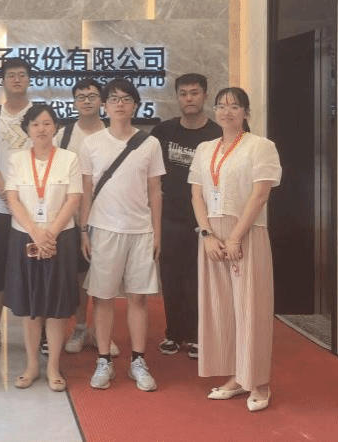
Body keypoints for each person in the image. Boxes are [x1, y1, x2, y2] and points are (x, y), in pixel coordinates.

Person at [188, 87, 281, 412]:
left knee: (251, 308)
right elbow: (196, 195)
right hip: (212, 235)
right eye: (221, 105)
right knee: (221, 308)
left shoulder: (261, 146)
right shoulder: (204, 148)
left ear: (246, 112)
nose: (226, 111)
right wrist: (206, 235)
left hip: (246, 233)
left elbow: (260, 194)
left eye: (234, 106)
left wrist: (236, 238)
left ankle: (259, 381)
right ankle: (238, 377)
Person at [79, 79, 164, 392]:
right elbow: (86, 191)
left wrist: (157, 232)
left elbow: (155, 191)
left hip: (140, 230)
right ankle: (104, 360)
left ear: (135, 105)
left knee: (138, 298)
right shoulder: (91, 143)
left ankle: (138, 361)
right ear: (104, 105)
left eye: (126, 99)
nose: (119, 104)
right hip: (103, 229)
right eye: (113, 99)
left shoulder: (150, 144)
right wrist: (84, 229)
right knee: (102, 298)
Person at [4, 104, 81, 392]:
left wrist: (50, 234)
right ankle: (32, 365)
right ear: (27, 128)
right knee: (30, 307)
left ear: (56, 127)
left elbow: (73, 199)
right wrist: (36, 233)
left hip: (60, 237)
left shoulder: (69, 158)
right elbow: (12, 198)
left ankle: (53, 367)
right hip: (25, 237)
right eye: (35, 124)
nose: (41, 129)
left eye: (47, 123)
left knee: (57, 307)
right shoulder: (17, 160)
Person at [151, 74, 221, 359]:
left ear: (205, 96)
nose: (189, 98)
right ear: (177, 97)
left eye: (194, 92)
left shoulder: (217, 133)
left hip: (205, 219)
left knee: (199, 279)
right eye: (183, 93)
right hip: (169, 217)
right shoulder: (163, 131)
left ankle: (197, 336)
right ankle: (173, 334)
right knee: (170, 278)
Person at [58, 78, 120, 358]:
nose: (86, 101)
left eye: (92, 96)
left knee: (105, 275)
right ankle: (81, 327)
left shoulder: (114, 134)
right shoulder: (64, 135)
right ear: (74, 102)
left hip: (108, 217)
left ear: (102, 102)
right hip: (72, 219)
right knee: (80, 275)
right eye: (80, 96)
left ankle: (101, 331)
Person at [0, 57, 32, 354]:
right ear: (3, 80)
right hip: (1, 205)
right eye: (11, 75)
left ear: (28, 79)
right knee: (0, 264)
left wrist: (24, 197)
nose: (16, 79)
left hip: (34, 207)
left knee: (35, 265)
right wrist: (5, 192)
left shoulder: (38, 114)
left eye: (21, 75)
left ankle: (38, 330)